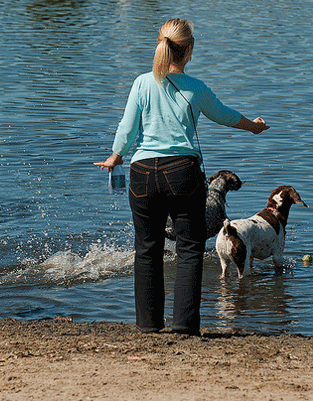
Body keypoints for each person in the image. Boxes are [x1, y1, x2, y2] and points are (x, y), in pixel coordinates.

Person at [95, 18, 269, 335]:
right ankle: (184, 327)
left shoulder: (142, 83)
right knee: (189, 249)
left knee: (146, 249)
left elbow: (127, 128)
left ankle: (148, 325)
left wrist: (114, 157)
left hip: (142, 173)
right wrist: (254, 126)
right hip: (182, 173)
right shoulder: (196, 88)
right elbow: (226, 116)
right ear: (188, 50)